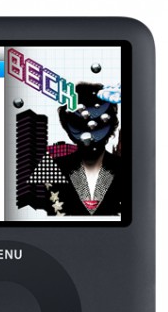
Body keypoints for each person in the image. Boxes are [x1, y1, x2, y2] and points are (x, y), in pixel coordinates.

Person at [28, 82, 121, 216]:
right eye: (79, 124)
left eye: (98, 124)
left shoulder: (127, 170)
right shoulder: (51, 170)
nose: (89, 135)